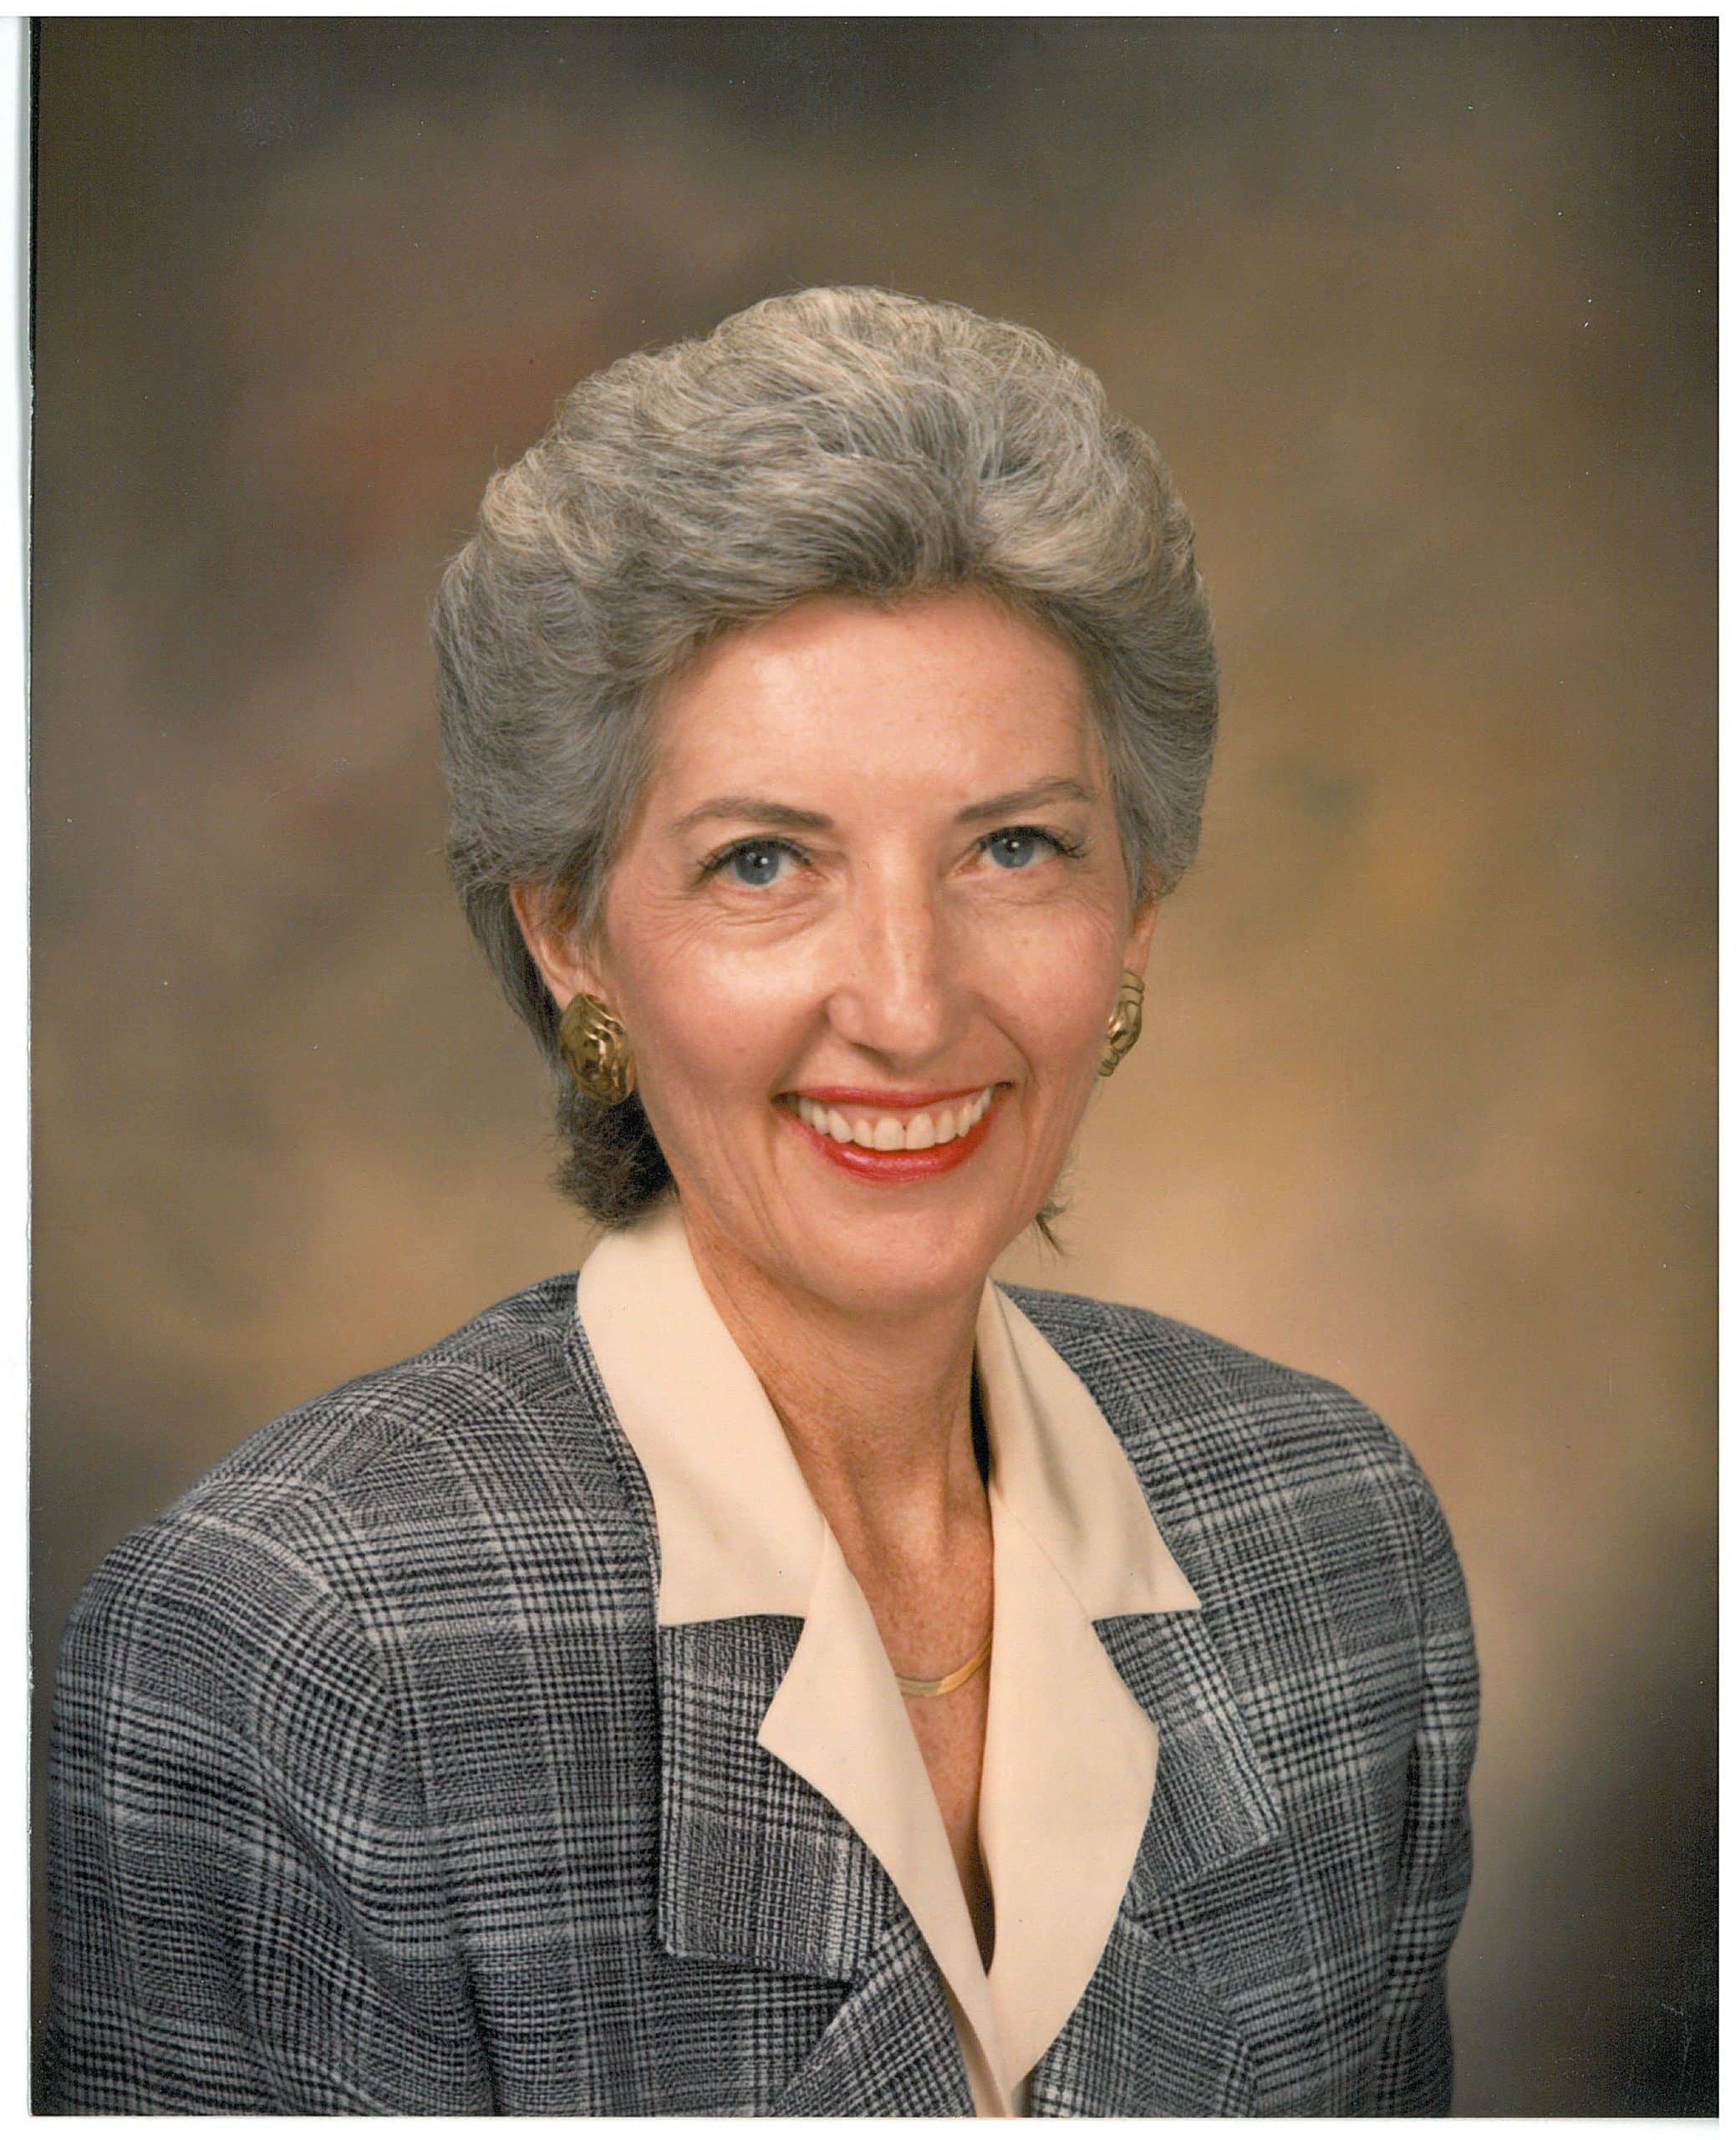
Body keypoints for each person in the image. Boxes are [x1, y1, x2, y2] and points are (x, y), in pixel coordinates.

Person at [42, 286, 1477, 2117]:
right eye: (764, 862)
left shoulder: (1335, 1537)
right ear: (574, 938)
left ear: (1135, 909)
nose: (903, 999)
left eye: (1012, 846)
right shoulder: (295, 1646)